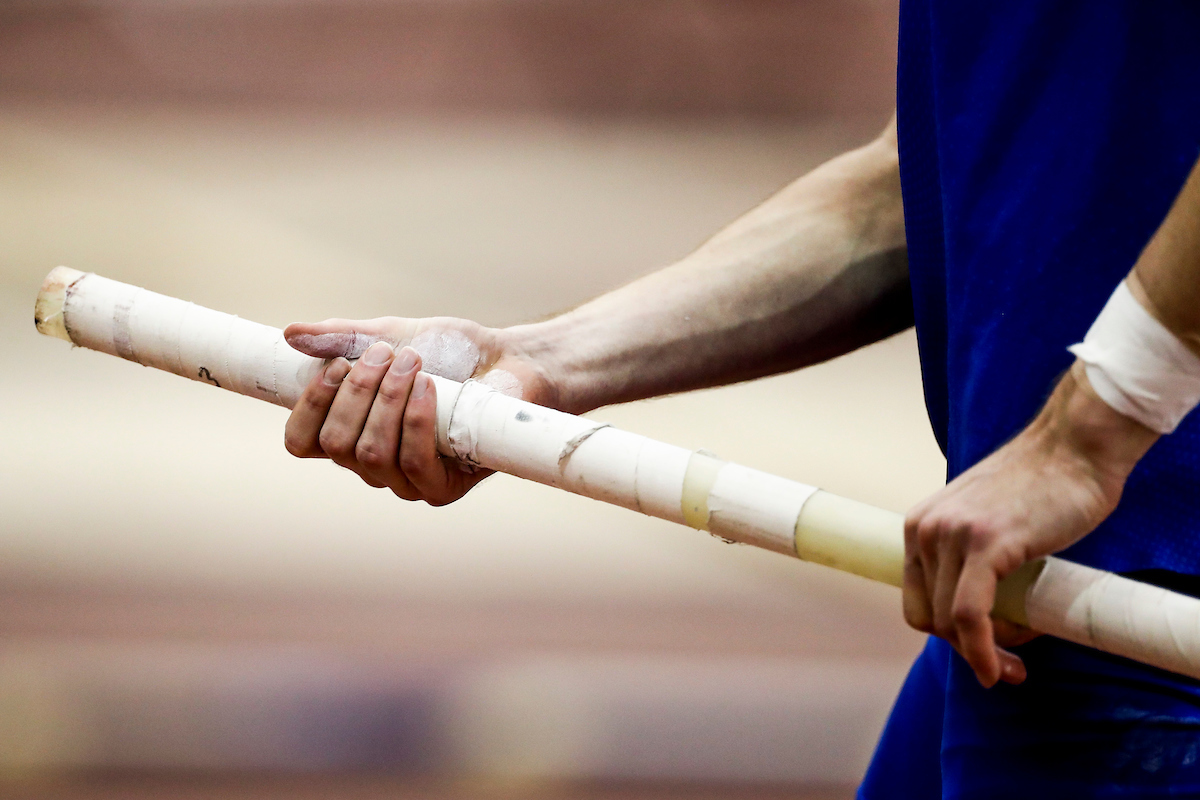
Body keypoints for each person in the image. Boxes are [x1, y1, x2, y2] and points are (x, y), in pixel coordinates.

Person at [281, 5, 1200, 795]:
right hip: (1022, 606)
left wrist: (1090, 433)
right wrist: (537, 362)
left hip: (1151, 614)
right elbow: (910, 187)